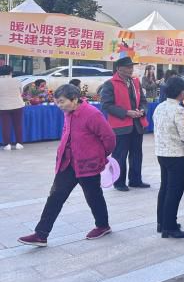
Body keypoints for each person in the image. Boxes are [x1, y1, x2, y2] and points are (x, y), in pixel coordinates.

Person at [18, 84, 115, 247]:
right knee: (55, 196)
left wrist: (99, 156)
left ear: (74, 99)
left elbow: (109, 137)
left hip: (88, 164)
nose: (59, 105)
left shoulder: (92, 114)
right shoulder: (68, 112)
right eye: (57, 102)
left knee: (93, 196)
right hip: (68, 162)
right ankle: (41, 234)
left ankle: (103, 226)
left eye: (62, 101)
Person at [153, 77, 184, 239]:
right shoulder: (179, 110)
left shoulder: (160, 107)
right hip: (177, 155)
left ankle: (162, 223)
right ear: (182, 92)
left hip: (162, 153)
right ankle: (170, 226)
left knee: (165, 188)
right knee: (174, 191)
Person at [101, 56, 149, 192]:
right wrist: (126, 113)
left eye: (131, 66)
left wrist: (142, 111)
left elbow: (143, 101)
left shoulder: (135, 82)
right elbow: (106, 105)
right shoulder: (110, 84)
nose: (131, 69)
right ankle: (119, 182)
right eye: (128, 67)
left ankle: (135, 180)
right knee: (119, 155)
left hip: (137, 124)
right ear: (118, 69)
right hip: (120, 126)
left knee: (136, 154)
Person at [0, 65, 25, 151]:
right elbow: (21, 92)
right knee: (18, 125)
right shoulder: (17, 80)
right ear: (11, 72)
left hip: (3, 106)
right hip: (17, 105)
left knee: (5, 126)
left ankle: (7, 144)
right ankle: (19, 143)